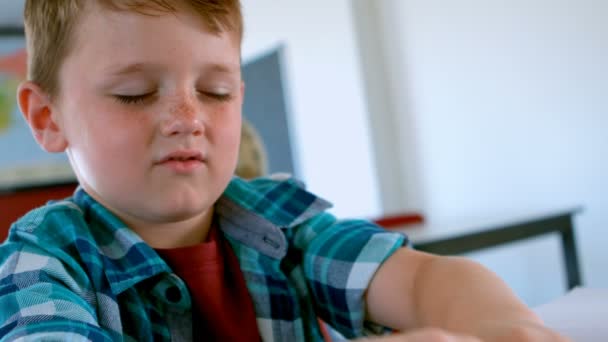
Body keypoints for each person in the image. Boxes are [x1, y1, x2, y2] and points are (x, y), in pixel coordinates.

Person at [0, 1, 568, 341]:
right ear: (49, 118)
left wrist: (508, 327)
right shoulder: (42, 263)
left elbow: (421, 280)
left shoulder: (280, 222)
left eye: (215, 91)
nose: (188, 119)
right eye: (135, 93)